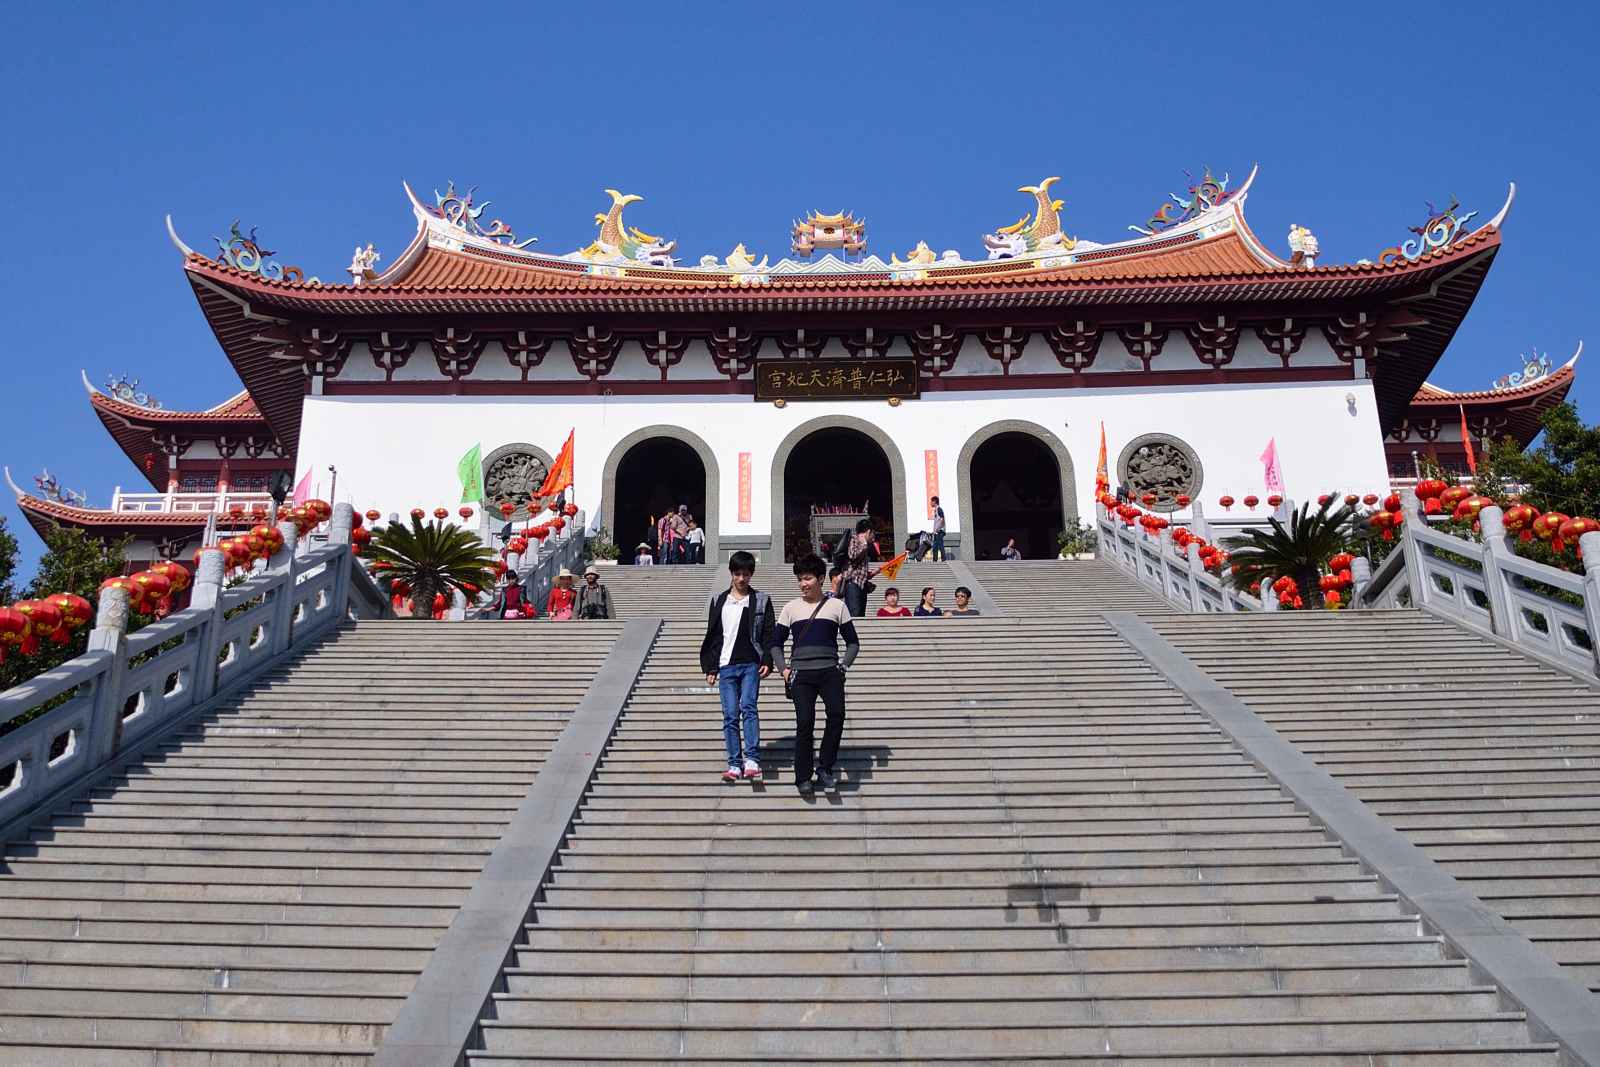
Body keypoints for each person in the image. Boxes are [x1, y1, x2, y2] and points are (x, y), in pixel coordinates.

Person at [769, 553, 859, 797]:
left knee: (837, 714)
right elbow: (775, 643)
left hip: (830, 670)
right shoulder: (790, 608)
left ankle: (825, 768)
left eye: (807, 578)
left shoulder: (837, 606)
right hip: (801, 673)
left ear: (821, 578)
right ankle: (803, 778)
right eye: (799, 579)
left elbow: (853, 642)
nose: (803, 584)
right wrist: (784, 670)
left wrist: (843, 667)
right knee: (805, 723)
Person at [699, 551, 774, 782]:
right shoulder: (718, 600)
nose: (741, 579)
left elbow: (768, 633)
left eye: (746, 574)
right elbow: (714, 635)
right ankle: (734, 763)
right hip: (726, 665)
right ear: (731, 574)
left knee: (749, 707)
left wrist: (768, 660)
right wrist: (711, 667)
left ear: (751, 575)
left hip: (751, 662)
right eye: (737, 574)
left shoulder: (761, 599)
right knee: (730, 714)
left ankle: (751, 759)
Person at [840, 518, 881, 618]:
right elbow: (852, 555)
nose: (872, 537)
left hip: (861, 583)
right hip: (853, 582)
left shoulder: (863, 544)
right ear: (868, 531)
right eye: (872, 533)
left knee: (861, 614)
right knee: (855, 613)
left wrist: (872, 573)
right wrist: (864, 545)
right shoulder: (855, 539)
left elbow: (858, 568)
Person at [930, 495, 947, 561]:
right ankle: (935, 560)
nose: (931, 503)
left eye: (931, 501)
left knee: (940, 545)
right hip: (936, 532)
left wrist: (939, 527)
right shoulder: (936, 510)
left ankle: (943, 559)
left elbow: (942, 517)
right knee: (935, 547)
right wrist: (933, 532)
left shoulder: (939, 509)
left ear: (935, 502)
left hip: (939, 531)